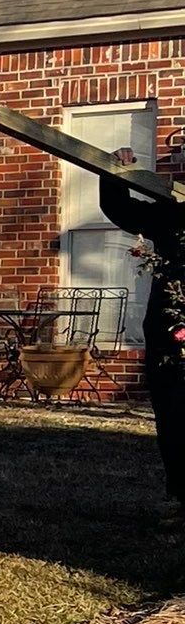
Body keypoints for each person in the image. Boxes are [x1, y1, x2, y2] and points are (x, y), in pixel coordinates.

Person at [99, 155, 185, 523]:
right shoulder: (174, 212)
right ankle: (182, 496)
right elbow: (120, 207)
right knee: (173, 413)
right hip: (171, 331)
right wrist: (114, 171)